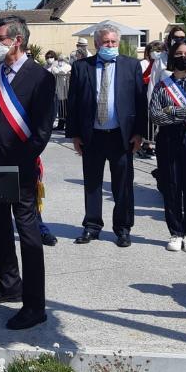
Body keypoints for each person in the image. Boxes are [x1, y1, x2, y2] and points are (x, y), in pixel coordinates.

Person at [0, 15, 56, 330]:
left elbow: (42, 132)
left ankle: (35, 305)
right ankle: (9, 284)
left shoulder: (41, 78)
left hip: (19, 170)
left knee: (29, 235)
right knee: (0, 230)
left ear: (17, 40)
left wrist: (21, 161)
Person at [66, 24, 146, 248]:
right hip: (92, 136)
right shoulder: (82, 67)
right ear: (96, 44)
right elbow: (73, 103)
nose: (109, 45)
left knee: (123, 185)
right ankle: (92, 226)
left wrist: (139, 132)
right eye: (105, 42)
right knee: (92, 184)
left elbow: (140, 101)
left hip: (122, 136)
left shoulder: (131, 66)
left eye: (113, 42)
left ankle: (123, 229)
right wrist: (74, 135)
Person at [150, 38, 186, 253]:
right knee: (171, 188)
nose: (183, 57)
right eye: (179, 54)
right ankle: (175, 232)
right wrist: (184, 113)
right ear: (171, 57)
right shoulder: (162, 85)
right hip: (168, 140)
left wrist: (171, 111)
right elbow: (155, 116)